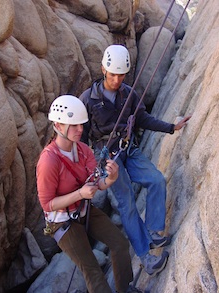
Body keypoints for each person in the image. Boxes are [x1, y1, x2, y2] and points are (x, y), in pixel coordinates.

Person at [79, 44, 191, 277]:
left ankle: (154, 232)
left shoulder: (129, 93)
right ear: (103, 69)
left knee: (156, 179)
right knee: (127, 202)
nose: (117, 79)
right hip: (107, 157)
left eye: (121, 74)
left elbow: (142, 118)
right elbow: (82, 138)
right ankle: (146, 258)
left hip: (128, 148)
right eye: (113, 74)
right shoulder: (88, 100)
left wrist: (171, 127)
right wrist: (92, 167)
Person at [36, 95, 142, 293]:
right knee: (92, 269)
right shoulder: (49, 161)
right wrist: (80, 194)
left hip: (83, 209)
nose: (80, 130)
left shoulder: (83, 150)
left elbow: (97, 183)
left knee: (119, 243)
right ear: (58, 126)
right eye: (74, 125)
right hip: (62, 222)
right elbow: (47, 204)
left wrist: (111, 178)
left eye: (81, 125)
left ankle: (125, 289)